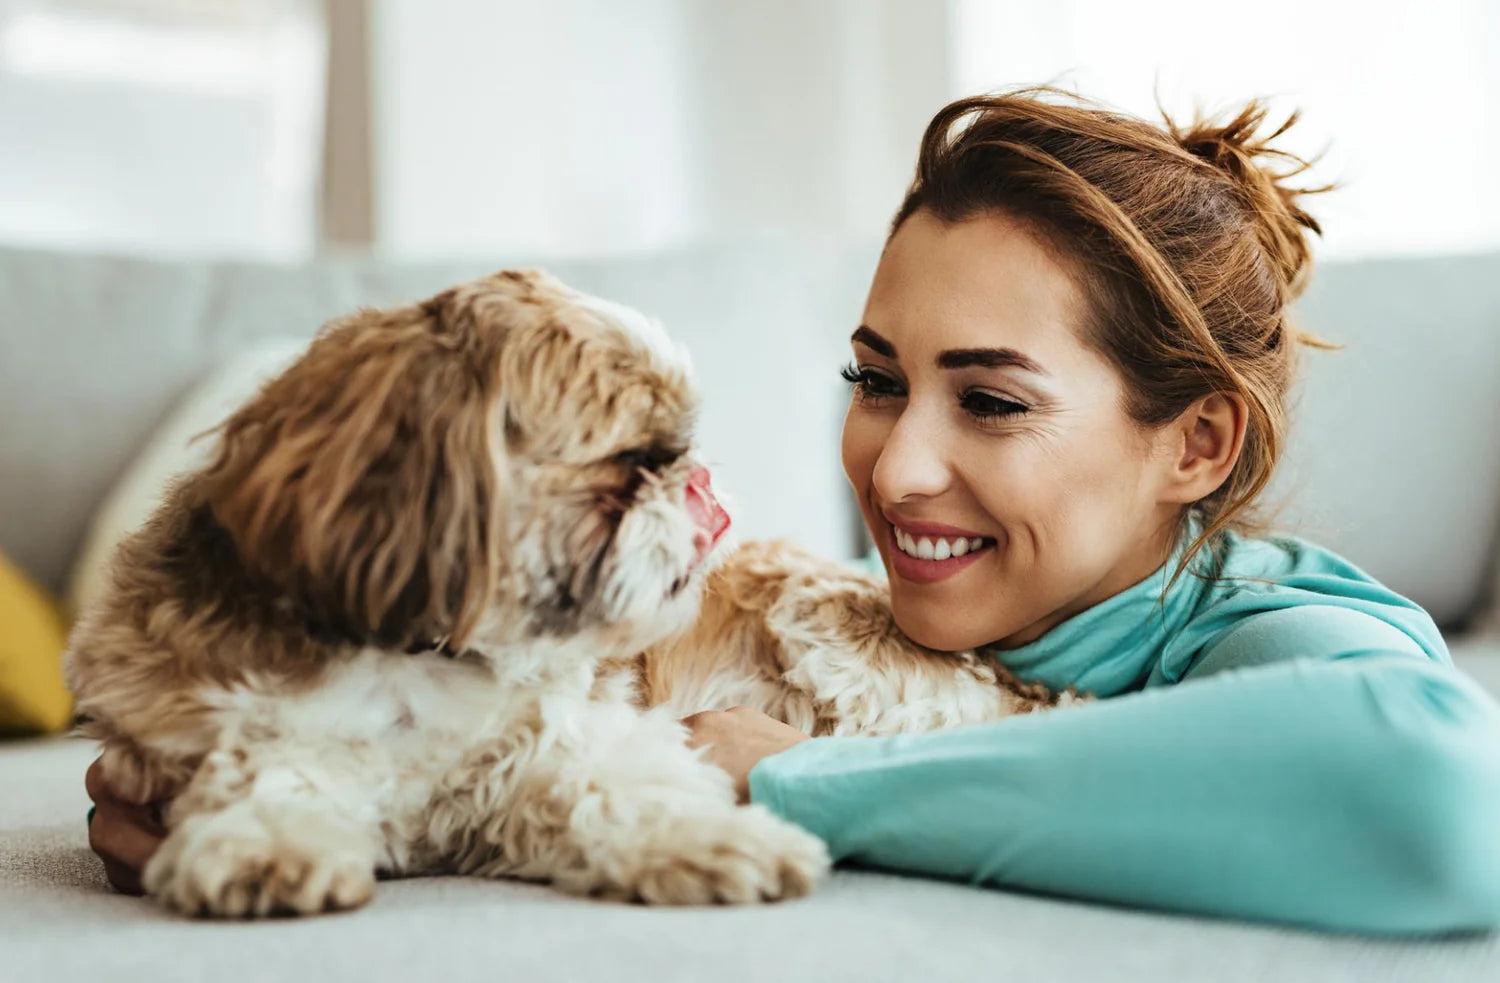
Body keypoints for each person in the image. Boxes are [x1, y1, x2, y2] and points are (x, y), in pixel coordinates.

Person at [88, 89, 1500, 934]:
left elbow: (1437, 796)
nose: (893, 470)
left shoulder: (1262, 625)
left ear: (1195, 445)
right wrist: (256, 773)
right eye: (876, 382)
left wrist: (800, 779)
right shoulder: (827, 622)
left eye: (990, 401)